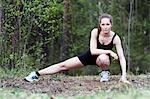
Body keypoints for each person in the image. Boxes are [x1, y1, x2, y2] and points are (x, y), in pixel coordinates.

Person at [24, 13, 130, 83]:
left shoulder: (115, 38)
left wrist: (123, 76)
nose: (105, 26)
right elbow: (93, 51)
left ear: (111, 25)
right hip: (90, 56)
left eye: (107, 24)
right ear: (100, 25)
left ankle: (105, 73)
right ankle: (36, 74)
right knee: (64, 65)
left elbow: (121, 58)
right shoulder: (95, 32)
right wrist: (109, 51)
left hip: (103, 60)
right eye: (103, 24)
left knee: (103, 57)